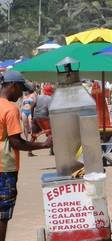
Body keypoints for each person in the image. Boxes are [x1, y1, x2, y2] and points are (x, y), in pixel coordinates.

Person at [0, 71, 52, 241]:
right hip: (4, 167)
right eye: (20, 89)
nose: (21, 94)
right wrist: (43, 144)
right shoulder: (10, 109)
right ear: (13, 86)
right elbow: (17, 142)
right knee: (3, 213)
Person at [29, 84, 54, 157]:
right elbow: (50, 110)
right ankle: (52, 150)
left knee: (33, 136)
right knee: (50, 134)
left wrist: (32, 117)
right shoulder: (50, 98)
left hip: (35, 118)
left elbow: (32, 106)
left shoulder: (38, 97)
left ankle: (29, 151)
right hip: (44, 118)